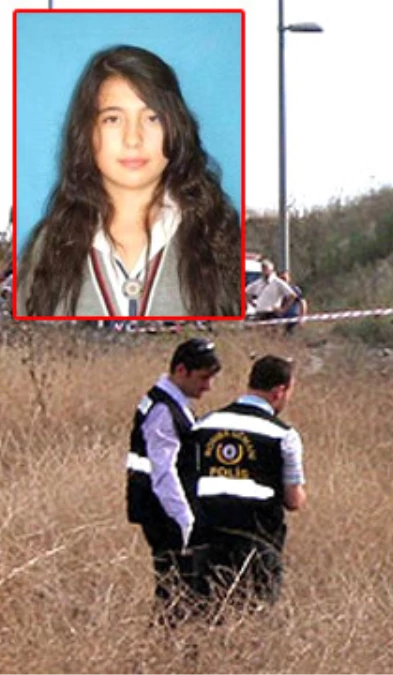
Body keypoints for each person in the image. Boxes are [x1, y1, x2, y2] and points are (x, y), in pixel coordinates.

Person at [17, 45, 240, 317]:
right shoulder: (50, 245)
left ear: (176, 127)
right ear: (88, 133)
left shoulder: (218, 238)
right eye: (113, 119)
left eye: (152, 118)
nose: (133, 138)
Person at [189, 355, 307, 608]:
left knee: (200, 618)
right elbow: (293, 500)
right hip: (257, 541)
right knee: (253, 621)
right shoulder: (284, 435)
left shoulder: (204, 425)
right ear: (279, 391)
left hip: (204, 539)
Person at [126, 337, 220, 623]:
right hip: (165, 515)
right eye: (203, 378)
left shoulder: (172, 403)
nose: (208, 387)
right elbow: (163, 473)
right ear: (181, 370)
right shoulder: (163, 411)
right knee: (179, 594)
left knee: (178, 593)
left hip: (164, 512)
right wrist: (186, 522)